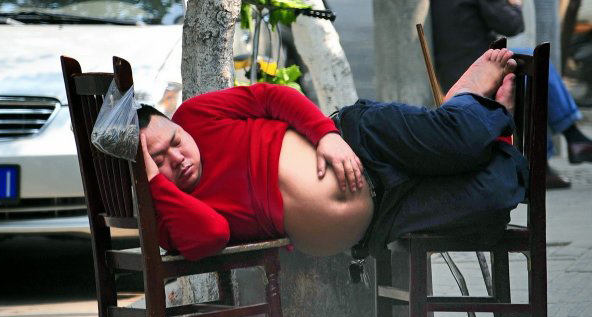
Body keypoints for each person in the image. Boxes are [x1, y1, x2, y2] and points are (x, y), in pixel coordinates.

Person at [138, 49, 525, 261]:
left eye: (175, 141)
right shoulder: (171, 214)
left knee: (461, 140)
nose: (178, 157)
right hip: (382, 216)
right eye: (159, 159)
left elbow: (272, 96)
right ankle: (485, 116)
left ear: (176, 124)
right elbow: (212, 236)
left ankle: (468, 103)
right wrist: (153, 182)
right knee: (494, 198)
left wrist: (326, 136)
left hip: (362, 140)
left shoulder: (196, 115)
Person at [431, 0, 592, 189]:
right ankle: (559, 148)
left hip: (452, 70)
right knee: (534, 63)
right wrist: (516, 4)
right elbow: (512, 24)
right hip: (475, 70)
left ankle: (567, 143)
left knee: (524, 66)